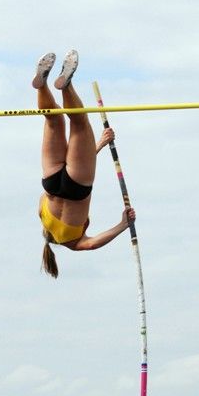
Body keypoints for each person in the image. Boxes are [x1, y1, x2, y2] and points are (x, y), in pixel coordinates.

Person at [33, 49, 136, 278]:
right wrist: (97, 146)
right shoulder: (42, 214)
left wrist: (122, 225)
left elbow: (92, 244)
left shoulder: (73, 241)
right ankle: (42, 86)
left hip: (77, 188)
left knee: (79, 122)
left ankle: (66, 85)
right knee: (53, 119)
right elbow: (75, 161)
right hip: (50, 182)